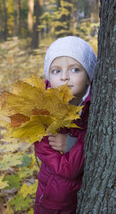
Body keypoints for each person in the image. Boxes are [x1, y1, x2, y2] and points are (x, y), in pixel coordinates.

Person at [34, 36, 97, 214]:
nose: (64, 77)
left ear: (88, 77)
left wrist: (72, 144)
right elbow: (68, 170)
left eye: (75, 69)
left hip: (84, 199)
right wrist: (81, 143)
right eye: (56, 71)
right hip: (53, 203)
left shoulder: (94, 107)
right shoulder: (41, 114)